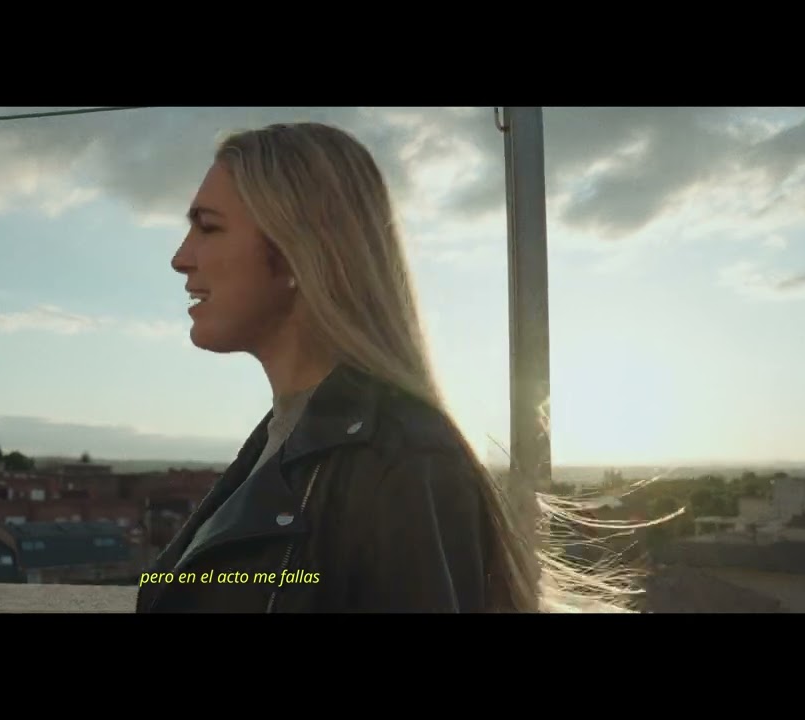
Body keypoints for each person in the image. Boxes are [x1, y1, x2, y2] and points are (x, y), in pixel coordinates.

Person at [135, 121, 632, 613]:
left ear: (295, 249)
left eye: (209, 227)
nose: (182, 258)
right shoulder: (286, 440)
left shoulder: (402, 459)